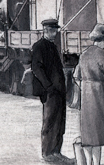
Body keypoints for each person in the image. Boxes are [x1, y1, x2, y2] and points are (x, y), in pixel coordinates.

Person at [73, 23, 104, 165]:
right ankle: (97, 163)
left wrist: (85, 87)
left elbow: (76, 77)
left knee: (88, 134)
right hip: (101, 95)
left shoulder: (84, 54)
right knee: (99, 134)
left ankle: (89, 162)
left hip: (86, 95)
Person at [28, 18, 73, 164]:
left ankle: (56, 152)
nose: (55, 33)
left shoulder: (52, 46)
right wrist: (48, 87)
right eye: (52, 31)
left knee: (60, 122)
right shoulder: (39, 46)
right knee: (49, 122)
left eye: (55, 31)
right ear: (45, 31)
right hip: (50, 92)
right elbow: (36, 69)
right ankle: (47, 153)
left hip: (58, 90)